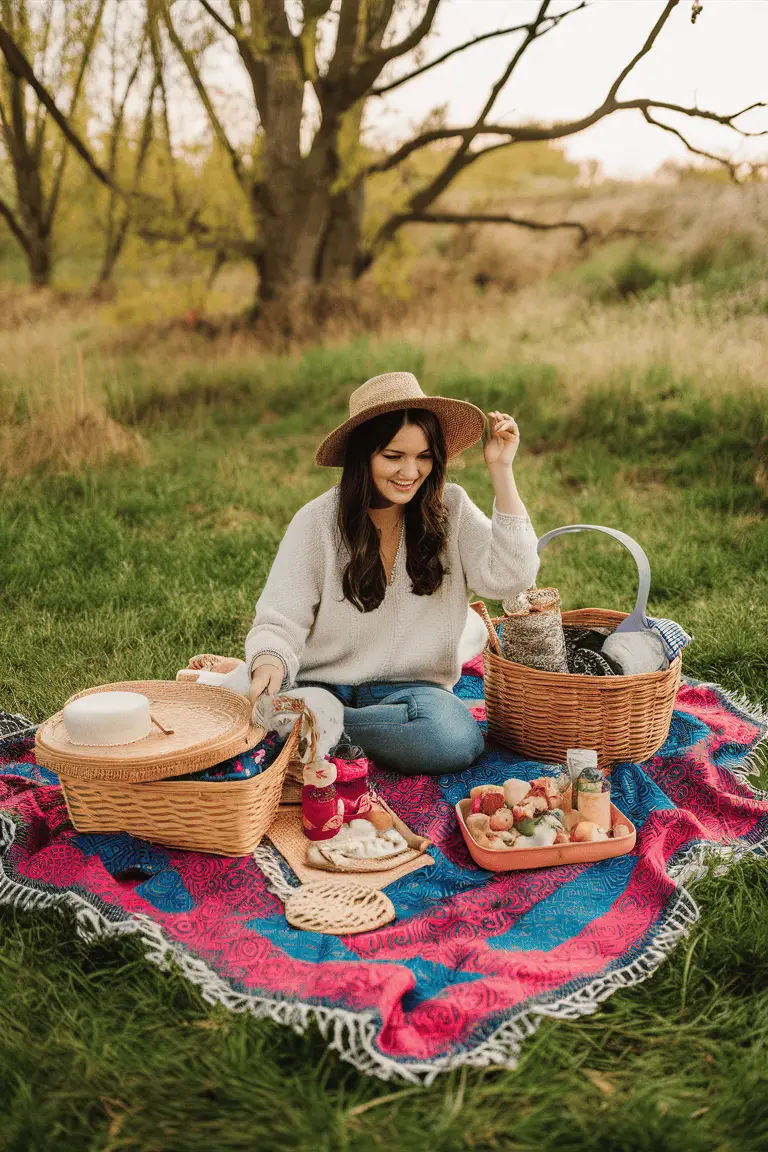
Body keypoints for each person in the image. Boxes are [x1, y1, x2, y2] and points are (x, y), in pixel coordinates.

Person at [188, 371, 539, 775]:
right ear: (363, 454)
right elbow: (280, 620)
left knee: (453, 736)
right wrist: (269, 661)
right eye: (394, 456)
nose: (411, 471)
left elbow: (513, 577)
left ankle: (303, 724)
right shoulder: (317, 521)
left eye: (424, 456)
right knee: (266, 697)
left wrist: (501, 469)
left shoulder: (451, 510)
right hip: (320, 683)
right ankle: (301, 716)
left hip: (410, 696)